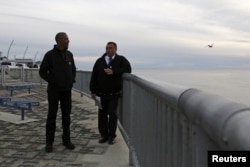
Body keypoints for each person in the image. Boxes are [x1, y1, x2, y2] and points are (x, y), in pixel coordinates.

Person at [39, 32, 76, 152]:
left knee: (66, 116)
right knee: (52, 116)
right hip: (54, 91)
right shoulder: (50, 55)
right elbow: (42, 72)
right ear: (59, 41)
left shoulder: (69, 54)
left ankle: (67, 140)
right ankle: (49, 142)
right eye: (66, 39)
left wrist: (72, 81)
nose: (68, 41)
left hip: (66, 90)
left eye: (68, 39)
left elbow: (73, 69)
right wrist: (53, 81)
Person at [89, 41, 131, 144]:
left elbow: (128, 69)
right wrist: (93, 91)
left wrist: (114, 72)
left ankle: (111, 136)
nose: (108, 50)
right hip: (100, 94)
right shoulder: (99, 61)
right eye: (107, 48)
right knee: (102, 115)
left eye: (111, 48)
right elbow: (94, 76)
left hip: (114, 94)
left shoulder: (121, 59)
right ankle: (104, 135)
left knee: (112, 114)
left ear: (115, 49)